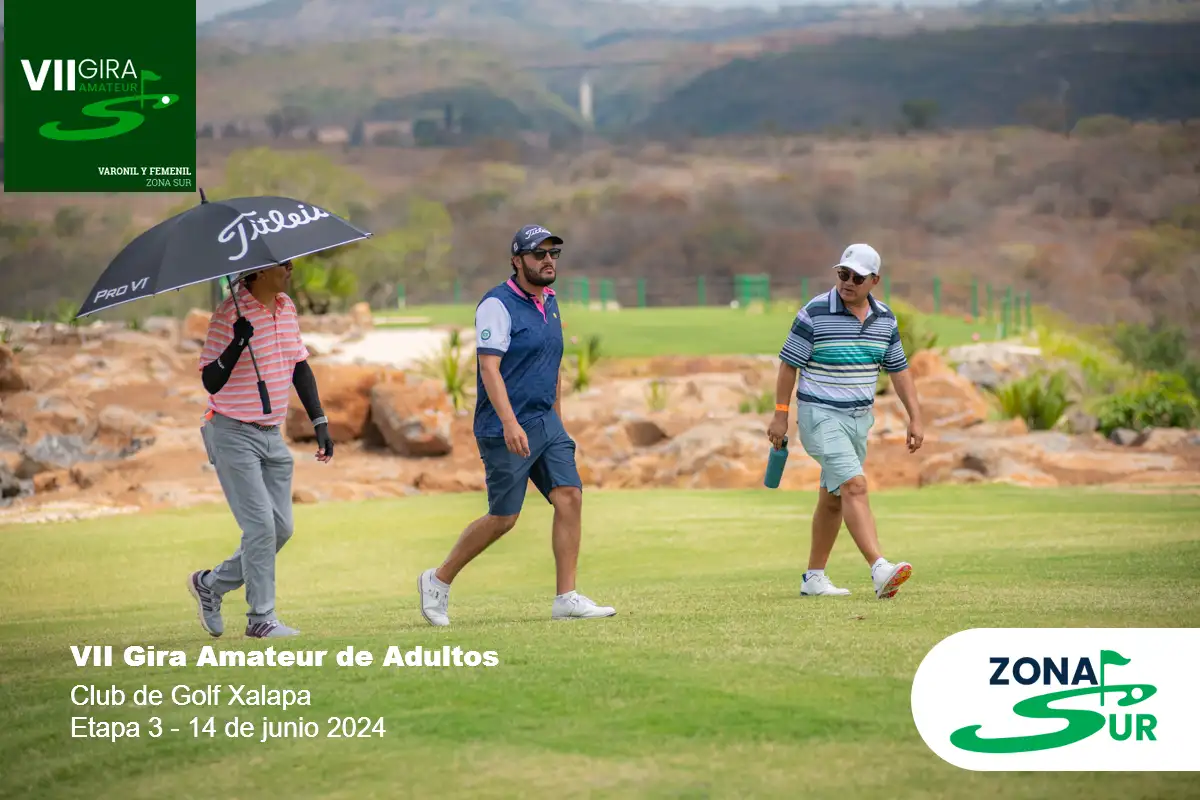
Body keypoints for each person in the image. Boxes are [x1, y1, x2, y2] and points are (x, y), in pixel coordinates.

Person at [417, 225, 616, 626]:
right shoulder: (497, 304)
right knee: (504, 518)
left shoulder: (550, 302)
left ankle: (566, 598)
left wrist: (559, 422)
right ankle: (438, 579)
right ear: (517, 261)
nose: (548, 260)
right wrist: (510, 423)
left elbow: (552, 365)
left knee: (569, 496)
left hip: (546, 421)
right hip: (503, 426)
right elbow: (489, 368)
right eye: (538, 254)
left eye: (553, 254)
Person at [766, 243, 924, 600]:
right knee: (854, 485)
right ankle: (879, 568)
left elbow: (899, 371)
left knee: (834, 497)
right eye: (843, 274)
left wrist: (915, 417)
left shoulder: (885, 319)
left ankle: (814, 577)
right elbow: (789, 365)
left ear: (874, 281)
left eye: (857, 277)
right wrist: (780, 415)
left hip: (858, 420)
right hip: (819, 416)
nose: (848, 282)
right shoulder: (814, 313)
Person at [187, 260, 334, 639]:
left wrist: (319, 421)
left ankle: (211, 584)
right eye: (282, 264)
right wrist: (238, 341)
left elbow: (299, 365)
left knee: (280, 528)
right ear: (260, 271)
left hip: (272, 435)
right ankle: (261, 619)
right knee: (260, 527)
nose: (290, 268)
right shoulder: (228, 314)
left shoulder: (286, 307)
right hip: (232, 433)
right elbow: (211, 380)